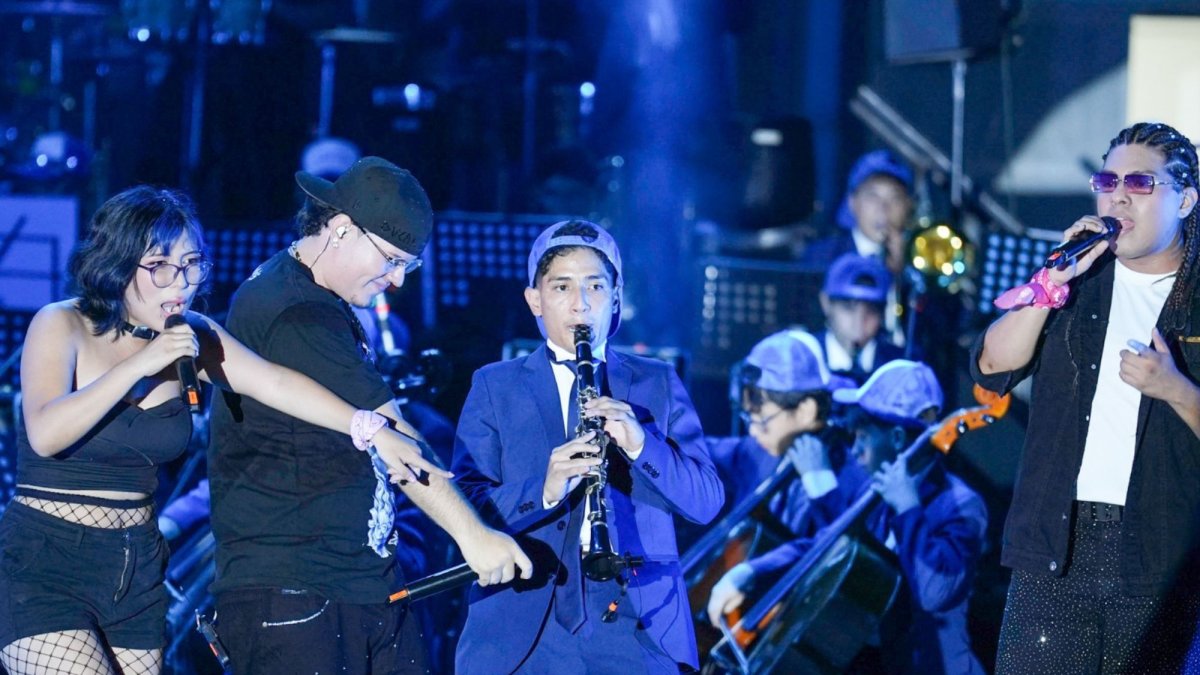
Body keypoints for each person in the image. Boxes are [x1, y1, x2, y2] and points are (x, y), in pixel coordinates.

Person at [0, 185, 514, 675]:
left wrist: (367, 426)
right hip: (49, 558)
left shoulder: (193, 334)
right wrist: (139, 365)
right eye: (161, 268)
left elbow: (273, 382)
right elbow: (46, 431)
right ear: (118, 264)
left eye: (192, 265)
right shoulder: (61, 323)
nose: (181, 284)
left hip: (135, 565)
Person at [207, 157, 532, 674]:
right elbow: (396, 436)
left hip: (352, 583)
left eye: (409, 267)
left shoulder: (312, 296)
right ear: (340, 230)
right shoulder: (298, 311)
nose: (397, 280)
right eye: (391, 260)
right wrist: (474, 537)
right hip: (300, 591)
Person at [972, 121, 1200, 672]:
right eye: (1106, 181)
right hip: (1055, 547)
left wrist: (1175, 389)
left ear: (1186, 200)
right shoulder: (1075, 283)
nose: (1118, 195)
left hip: (1164, 560)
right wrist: (1052, 282)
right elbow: (992, 367)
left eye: (1140, 183)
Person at [451, 219, 725, 673]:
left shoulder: (657, 381)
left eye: (595, 286)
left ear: (615, 297)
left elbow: (706, 502)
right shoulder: (494, 385)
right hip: (525, 614)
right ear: (534, 300)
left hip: (638, 621)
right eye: (561, 287)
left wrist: (642, 446)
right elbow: (462, 506)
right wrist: (544, 489)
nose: (580, 303)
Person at [706, 360, 987, 674]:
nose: (855, 450)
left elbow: (936, 592)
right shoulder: (875, 490)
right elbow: (828, 543)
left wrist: (908, 509)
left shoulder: (960, 504)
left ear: (896, 439)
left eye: (863, 437)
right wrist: (750, 571)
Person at [696, 329, 864, 541]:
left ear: (805, 411)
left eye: (762, 419)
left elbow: (842, 549)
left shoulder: (851, 475)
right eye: (749, 418)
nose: (752, 430)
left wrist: (822, 486)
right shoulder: (759, 450)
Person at [801, 149, 914, 275]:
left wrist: (902, 272)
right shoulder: (820, 257)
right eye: (872, 197)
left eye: (895, 198)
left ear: (908, 205)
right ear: (852, 203)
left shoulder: (918, 260)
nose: (883, 208)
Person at [817, 253, 905, 382]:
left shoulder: (900, 365)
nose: (859, 322)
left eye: (871, 310)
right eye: (848, 308)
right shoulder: (803, 360)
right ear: (825, 303)